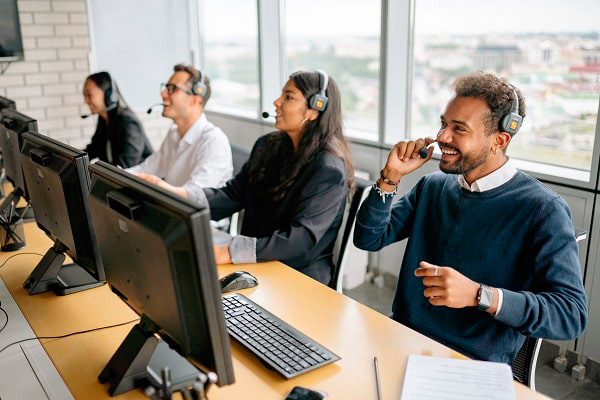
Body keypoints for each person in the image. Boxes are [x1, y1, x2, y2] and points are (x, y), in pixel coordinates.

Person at [353, 71, 587, 364]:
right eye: (443, 124)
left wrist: (480, 295)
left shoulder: (543, 210)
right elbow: (368, 238)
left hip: (469, 364)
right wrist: (390, 177)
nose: (441, 138)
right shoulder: (433, 186)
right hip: (402, 340)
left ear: (499, 140)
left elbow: (571, 315)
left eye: (459, 129)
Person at [205, 70, 354, 285]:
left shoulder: (328, 168)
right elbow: (232, 195)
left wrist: (229, 252)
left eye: (288, 97)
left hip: (298, 276)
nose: (276, 102)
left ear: (315, 109)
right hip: (255, 265)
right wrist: (179, 195)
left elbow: (300, 239)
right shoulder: (267, 146)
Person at [128, 64, 232, 204]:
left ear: (195, 100)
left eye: (172, 89)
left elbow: (195, 198)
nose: (163, 94)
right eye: (166, 87)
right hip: (174, 212)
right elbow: (147, 168)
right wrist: (115, 176)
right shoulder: (174, 134)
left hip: (203, 223)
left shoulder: (213, 141)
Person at [83, 72, 153, 168]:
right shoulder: (104, 120)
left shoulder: (128, 122)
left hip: (139, 180)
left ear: (108, 95)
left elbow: (126, 164)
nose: (86, 100)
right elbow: (93, 149)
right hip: (119, 179)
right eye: (84, 95)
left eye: (89, 94)